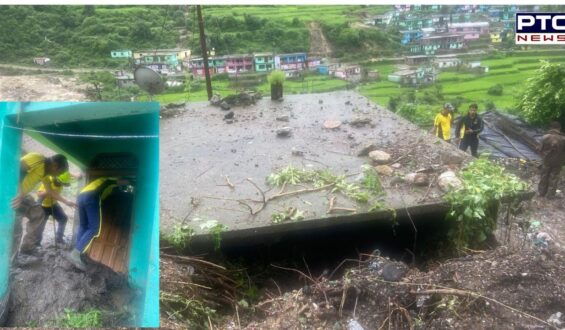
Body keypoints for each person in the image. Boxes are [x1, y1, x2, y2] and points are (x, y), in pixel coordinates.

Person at [11, 153, 76, 257]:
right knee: (14, 228)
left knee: (39, 213)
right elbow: (17, 168)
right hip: (10, 192)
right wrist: (19, 192)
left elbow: (50, 191)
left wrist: (66, 202)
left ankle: (27, 248)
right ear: (55, 165)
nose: (58, 175)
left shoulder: (45, 174)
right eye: (60, 172)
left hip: (22, 196)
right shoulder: (38, 159)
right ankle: (9, 261)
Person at [68, 177, 130, 271]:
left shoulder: (98, 183)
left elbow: (103, 198)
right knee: (94, 228)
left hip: (81, 197)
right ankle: (76, 253)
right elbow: (122, 181)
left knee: (83, 225)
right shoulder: (110, 180)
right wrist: (133, 181)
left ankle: (77, 250)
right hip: (91, 197)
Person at [36, 172, 73, 245]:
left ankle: (59, 238)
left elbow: (69, 173)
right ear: (56, 178)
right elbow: (39, 194)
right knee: (41, 224)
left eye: (63, 184)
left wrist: (77, 175)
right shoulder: (48, 181)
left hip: (53, 204)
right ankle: (36, 242)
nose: (61, 185)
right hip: (43, 205)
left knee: (63, 218)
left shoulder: (62, 181)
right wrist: (48, 191)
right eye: (60, 183)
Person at [538, 121, 565, 198]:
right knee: (554, 178)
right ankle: (550, 195)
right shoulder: (563, 139)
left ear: (550, 128)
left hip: (546, 161)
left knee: (544, 176)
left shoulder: (545, 137)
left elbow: (540, 149)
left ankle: (541, 193)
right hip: (558, 162)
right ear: (559, 128)